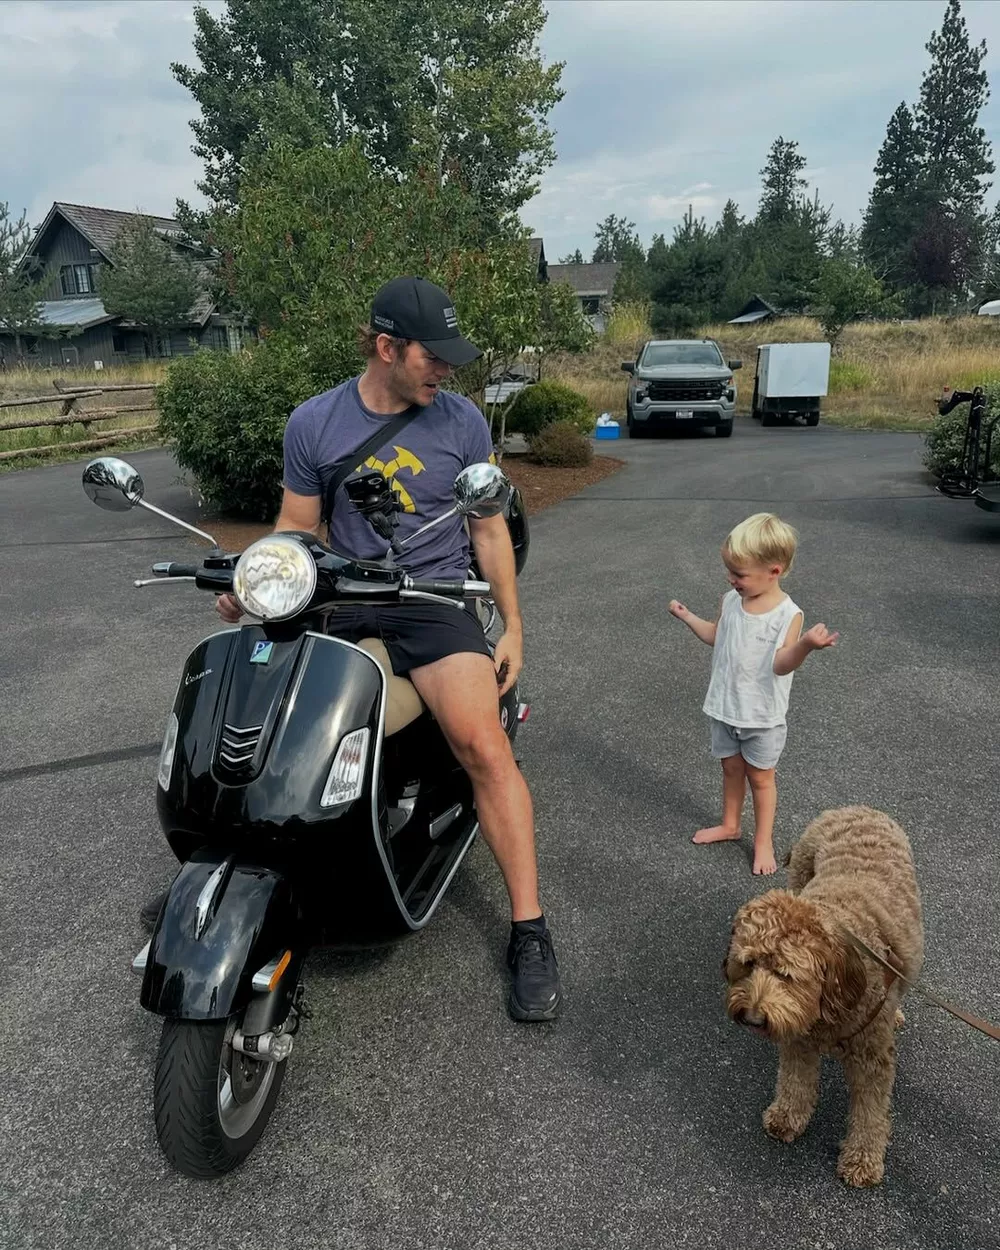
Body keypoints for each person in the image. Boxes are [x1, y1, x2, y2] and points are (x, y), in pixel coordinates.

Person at [140, 276, 561, 1023]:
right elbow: (297, 525)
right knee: (271, 719)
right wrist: (257, 577)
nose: (446, 372)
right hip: (340, 598)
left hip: (433, 602)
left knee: (481, 745)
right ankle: (235, 875)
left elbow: (488, 528)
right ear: (386, 347)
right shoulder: (315, 422)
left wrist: (513, 625)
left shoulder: (462, 421)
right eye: (434, 357)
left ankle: (529, 928)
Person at [668, 513, 837, 876]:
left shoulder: (787, 615)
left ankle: (763, 841)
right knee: (730, 769)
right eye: (729, 571)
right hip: (725, 707)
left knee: (761, 779)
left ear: (774, 571)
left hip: (761, 717)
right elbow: (717, 636)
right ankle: (730, 824)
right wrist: (688, 617)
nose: (731, 579)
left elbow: (781, 664)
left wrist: (806, 645)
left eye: (739, 574)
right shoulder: (730, 600)